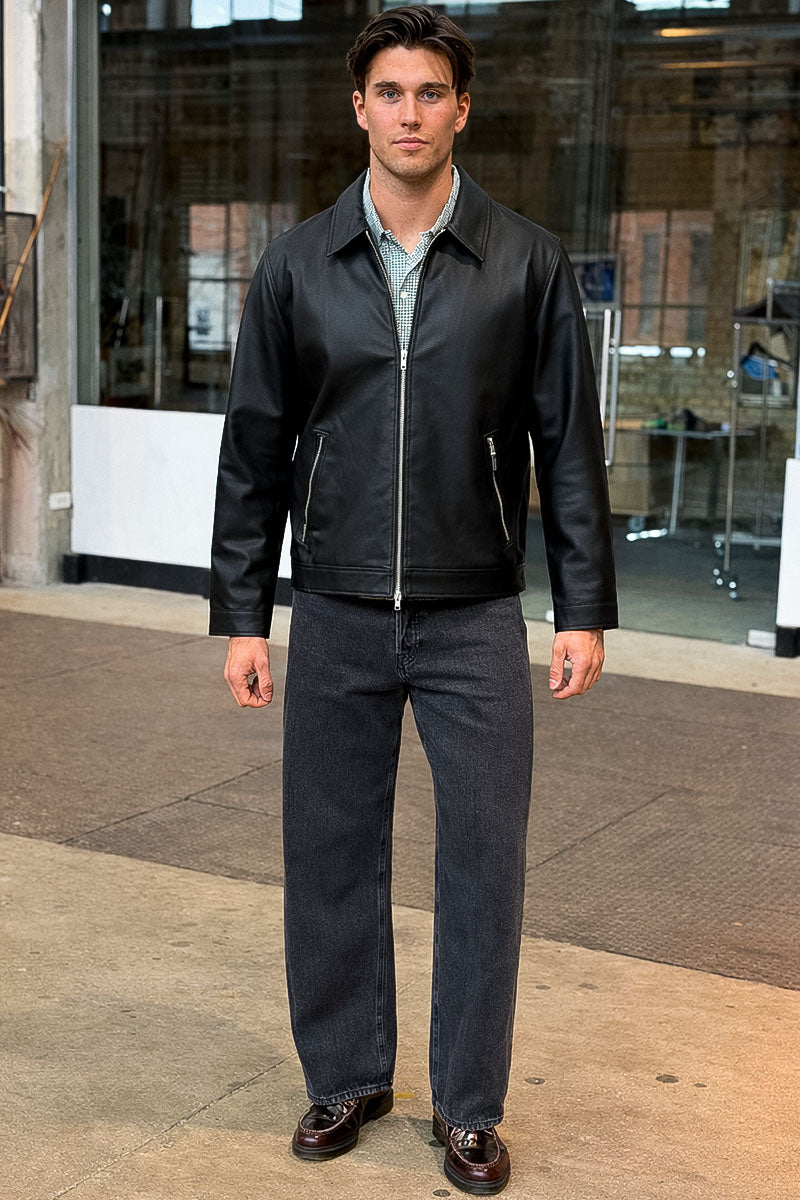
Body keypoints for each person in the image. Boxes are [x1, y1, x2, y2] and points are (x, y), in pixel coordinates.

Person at [209, 6, 617, 1194]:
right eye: (387, 92)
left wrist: (580, 606)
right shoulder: (295, 265)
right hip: (334, 606)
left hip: (473, 611)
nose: (408, 112)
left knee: (483, 859)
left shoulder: (524, 262)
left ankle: (468, 1107)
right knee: (329, 852)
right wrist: (243, 615)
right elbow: (254, 450)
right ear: (358, 108)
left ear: (460, 111)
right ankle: (345, 1076)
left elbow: (568, 446)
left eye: (429, 92)